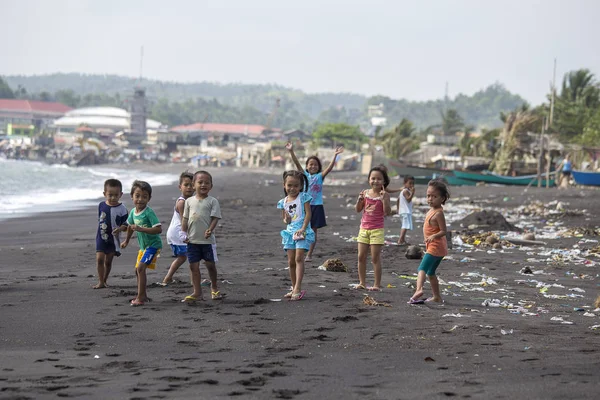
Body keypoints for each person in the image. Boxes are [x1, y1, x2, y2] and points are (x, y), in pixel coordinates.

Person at [286, 142, 344, 262]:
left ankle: (309, 254)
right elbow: (297, 163)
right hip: (304, 206)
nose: (313, 166)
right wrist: (291, 151)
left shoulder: (320, 177)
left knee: (313, 231)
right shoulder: (304, 175)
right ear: (307, 166)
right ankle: (301, 249)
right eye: (310, 164)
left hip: (317, 206)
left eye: (315, 165)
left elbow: (330, 168)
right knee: (302, 228)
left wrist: (335, 156)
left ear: (318, 167)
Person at [180, 170, 223, 302]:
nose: (203, 185)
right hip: (192, 240)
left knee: (210, 265)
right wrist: (183, 233)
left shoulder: (212, 201)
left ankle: (214, 288)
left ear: (211, 186)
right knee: (193, 266)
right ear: (193, 185)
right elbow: (185, 219)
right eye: (200, 182)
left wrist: (210, 229)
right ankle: (197, 292)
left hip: (206, 240)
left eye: (207, 183)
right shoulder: (189, 201)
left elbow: (215, 218)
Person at [408, 179, 450, 304]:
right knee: (431, 272)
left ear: (442, 198)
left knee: (422, 268)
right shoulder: (431, 210)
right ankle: (437, 297)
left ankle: (419, 289)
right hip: (438, 248)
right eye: (428, 196)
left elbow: (444, 231)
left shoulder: (438, 213)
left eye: (434, 196)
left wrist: (433, 237)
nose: (430, 199)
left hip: (435, 247)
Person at [121, 180, 162, 306]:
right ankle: (143, 294)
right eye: (137, 196)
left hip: (153, 246)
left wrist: (141, 229)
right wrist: (126, 240)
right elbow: (129, 226)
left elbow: (158, 229)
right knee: (137, 270)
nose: (140, 199)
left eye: (144, 197)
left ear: (149, 198)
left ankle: (140, 298)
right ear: (132, 196)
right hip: (143, 247)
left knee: (140, 268)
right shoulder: (133, 212)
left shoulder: (149, 212)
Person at [277, 170, 315, 301]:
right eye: (289, 185)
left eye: (295, 186)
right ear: (284, 185)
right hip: (290, 232)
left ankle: (298, 288)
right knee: (291, 261)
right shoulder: (283, 201)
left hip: (302, 231)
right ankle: (293, 287)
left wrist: (303, 228)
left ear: (300, 186)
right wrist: (286, 219)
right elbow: (285, 220)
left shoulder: (304, 197)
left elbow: (308, 214)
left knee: (299, 258)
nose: (292, 188)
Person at [353, 166, 392, 291]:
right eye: (373, 178)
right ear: (369, 180)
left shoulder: (384, 195)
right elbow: (358, 210)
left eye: (379, 179)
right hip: (363, 229)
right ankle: (362, 282)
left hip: (377, 230)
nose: (375, 181)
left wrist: (385, 199)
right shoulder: (365, 193)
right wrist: (359, 200)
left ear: (384, 181)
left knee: (375, 258)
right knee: (361, 256)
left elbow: (387, 212)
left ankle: (377, 284)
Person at [159, 171, 195, 286]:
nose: (189, 187)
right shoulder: (182, 202)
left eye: (191, 185)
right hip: (179, 233)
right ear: (180, 187)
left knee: (182, 258)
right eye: (186, 185)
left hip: (178, 232)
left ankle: (168, 278)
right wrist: (189, 234)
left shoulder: (191, 201)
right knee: (191, 257)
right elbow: (184, 220)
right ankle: (193, 281)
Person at [94, 179, 128, 289]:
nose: (113, 198)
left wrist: (119, 229)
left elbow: (126, 225)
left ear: (121, 194)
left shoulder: (122, 209)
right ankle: (100, 282)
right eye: (110, 195)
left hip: (113, 239)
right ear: (104, 194)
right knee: (99, 259)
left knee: (108, 262)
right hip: (101, 237)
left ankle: (105, 280)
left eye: (116, 195)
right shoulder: (101, 205)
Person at [388, 175, 415, 245]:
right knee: (405, 225)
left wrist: (398, 208)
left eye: (413, 183)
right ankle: (400, 240)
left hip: (404, 210)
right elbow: (408, 200)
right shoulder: (405, 191)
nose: (411, 185)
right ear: (405, 183)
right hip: (405, 211)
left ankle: (402, 239)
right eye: (410, 183)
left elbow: (398, 200)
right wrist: (413, 193)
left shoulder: (405, 191)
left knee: (405, 225)